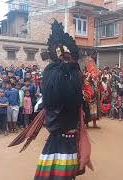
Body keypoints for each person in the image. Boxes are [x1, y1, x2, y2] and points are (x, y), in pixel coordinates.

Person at [9, 20, 93, 180]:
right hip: (64, 135)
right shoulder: (60, 80)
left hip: (60, 135)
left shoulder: (64, 80)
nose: (66, 60)